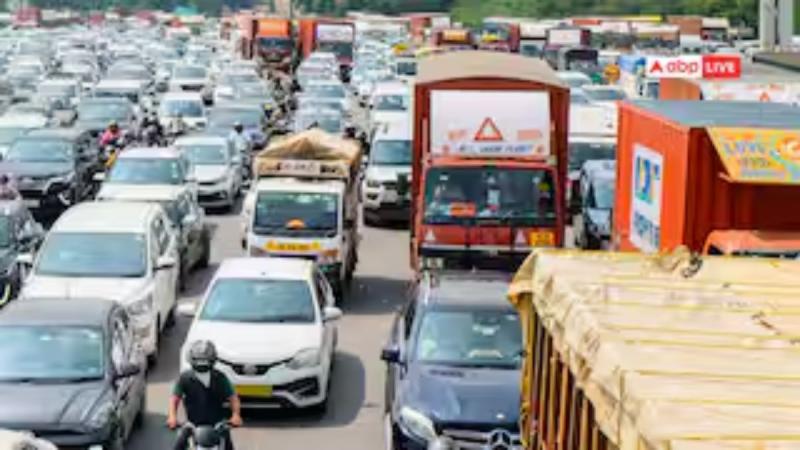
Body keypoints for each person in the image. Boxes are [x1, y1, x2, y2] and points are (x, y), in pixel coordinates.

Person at [167, 340, 242, 450]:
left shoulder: (220, 378)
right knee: (179, 444)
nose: (202, 365)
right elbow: (174, 398)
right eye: (199, 361)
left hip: (218, 426)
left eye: (205, 362)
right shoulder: (184, 378)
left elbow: (233, 398)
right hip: (192, 426)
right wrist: (172, 416)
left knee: (228, 444)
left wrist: (236, 415)